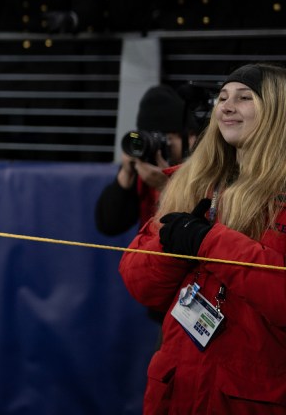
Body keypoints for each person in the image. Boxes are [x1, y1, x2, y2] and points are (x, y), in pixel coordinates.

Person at [119, 64, 286, 413]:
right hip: (177, 389)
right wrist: (175, 250)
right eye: (223, 97)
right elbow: (139, 283)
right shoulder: (192, 182)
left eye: (244, 98)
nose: (226, 106)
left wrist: (207, 242)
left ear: (276, 110)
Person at [95, 84, 198, 237]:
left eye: (166, 139)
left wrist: (166, 186)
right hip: (148, 256)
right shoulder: (144, 165)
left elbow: (197, 231)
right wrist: (126, 173)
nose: (157, 148)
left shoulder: (202, 168)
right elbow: (109, 225)